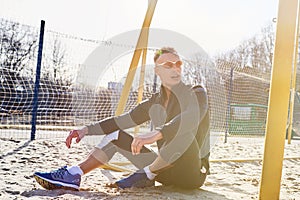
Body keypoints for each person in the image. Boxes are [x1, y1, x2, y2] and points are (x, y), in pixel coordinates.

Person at [34, 47, 210, 191]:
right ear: (157, 70)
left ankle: (145, 174)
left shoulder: (196, 92)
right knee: (116, 135)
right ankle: (73, 174)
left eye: (178, 63)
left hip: (191, 174)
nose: (175, 68)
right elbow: (122, 120)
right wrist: (86, 130)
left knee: (183, 130)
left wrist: (156, 134)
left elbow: (191, 118)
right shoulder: (154, 101)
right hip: (164, 171)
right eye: (168, 64)